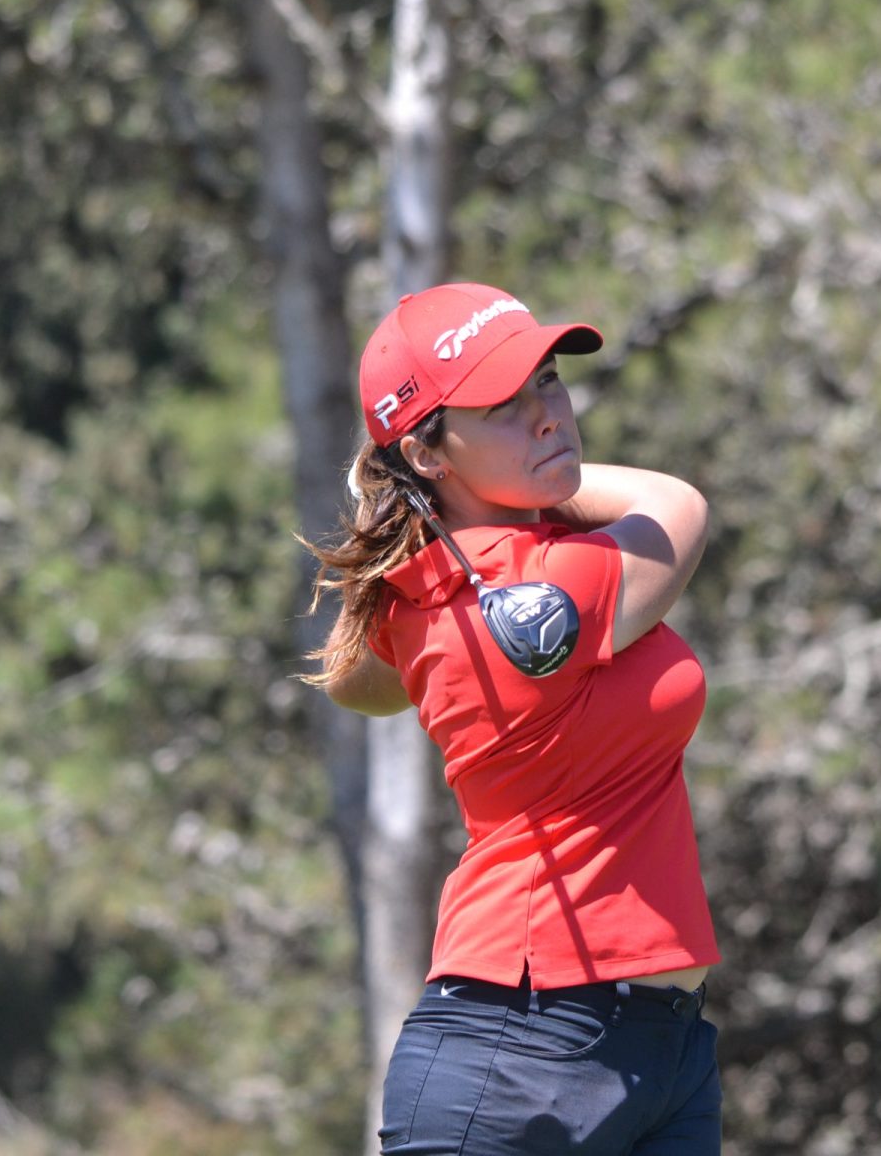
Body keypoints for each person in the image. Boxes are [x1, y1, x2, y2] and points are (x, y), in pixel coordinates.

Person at [304, 281, 723, 1154]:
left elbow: (362, 683)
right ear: (428, 452)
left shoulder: (444, 591)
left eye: (549, 381)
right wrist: (550, 494)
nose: (547, 414)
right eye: (501, 404)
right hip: (525, 1049)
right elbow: (677, 506)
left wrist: (440, 511)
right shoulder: (539, 587)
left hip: (659, 1048)